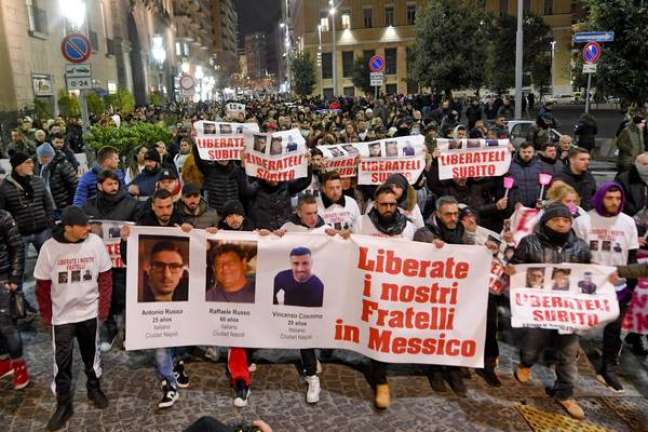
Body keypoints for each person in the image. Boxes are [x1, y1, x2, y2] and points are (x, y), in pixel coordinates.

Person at [511, 203, 591, 420]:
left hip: (568, 310)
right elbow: (516, 267)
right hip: (538, 309)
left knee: (568, 354)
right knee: (532, 344)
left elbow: (589, 275)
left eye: (566, 220)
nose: (562, 223)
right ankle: (526, 363)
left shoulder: (581, 247)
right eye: (557, 219)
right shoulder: (530, 242)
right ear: (545, 221)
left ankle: (565, 393)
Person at [34, 206, 112, 431]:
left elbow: (105, 277)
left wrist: (103, 308)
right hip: (62, 315)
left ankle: (93, 387)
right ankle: (64, 403)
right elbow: (42, 285)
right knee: (62, 362)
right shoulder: (49, 248)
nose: (89, 228)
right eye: (83, 225)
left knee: (91, 355)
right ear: (68, 227)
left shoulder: (95, 243)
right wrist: (47, 315)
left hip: (89, 311)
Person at [119, 188, 192, 409]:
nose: (165, 211)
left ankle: (177, 362)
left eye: (168, 206)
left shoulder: (181, 221)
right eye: (160, 207)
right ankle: (169, 384)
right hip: (150, 303)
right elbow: (126, 258)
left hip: (180, 302)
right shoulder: (141, 224)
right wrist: (125, 241)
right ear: (152, 206)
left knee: (179, 335)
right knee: (160, 340)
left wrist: (193, 233)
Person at [573, 182, 638, 392]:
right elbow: (575, 254)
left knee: (614, 329)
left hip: (616, 284)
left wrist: (630, 286)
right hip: (588, 282)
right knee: (578, 324)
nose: (614, 202)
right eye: (609, 198)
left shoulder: (628, 223)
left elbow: (632, 257)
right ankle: (567, 358)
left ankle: (608, 368)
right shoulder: (583, 222)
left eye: (618, 198)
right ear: (600, 197)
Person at [414, 196, 477, 393]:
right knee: (434, 331)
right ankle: (434, 370)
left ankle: (453, 369)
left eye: (455, 214)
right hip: (431, 292)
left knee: (454, 330)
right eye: (448, 214)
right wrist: (432, 247)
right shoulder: (424, 233)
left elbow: (473, 257)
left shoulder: (464, 234)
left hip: (456, 293)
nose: (452, 218)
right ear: (437, 214)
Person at [272, 246, 322, 404]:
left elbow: (319, 316)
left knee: (304, 341)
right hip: (286, 316)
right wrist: (274, 313)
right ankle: (248, 360)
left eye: (305, 263)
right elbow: (269, 295)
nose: (300, 268)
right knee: (260, 330)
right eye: (296, 264)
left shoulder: (317, 285)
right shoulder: (281, 277)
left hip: (306, 321)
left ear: (311, 263)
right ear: (290, 263)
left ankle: (312, 375)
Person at [0, 152, 54, 298]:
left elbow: (48, 204)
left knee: (50, 266)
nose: (31, 165)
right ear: (17, 166)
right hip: (19, 235)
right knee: (18, 271)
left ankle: (52, 296)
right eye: (27, 163)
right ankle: (20, 304)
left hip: (42, 230)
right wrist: (12, 230)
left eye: (31, 162)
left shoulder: (38, 181)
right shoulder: (5, 186)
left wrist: (49, 222)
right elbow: (3, 213)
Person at [0, 209, 29, 391]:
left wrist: (15, 278)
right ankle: (4, 362)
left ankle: (19, 365)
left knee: (7, 325)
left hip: (2, 276)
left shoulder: (4, 217)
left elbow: (17, 246)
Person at [36, 142, 79, 217]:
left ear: (46, 157)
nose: (39, 160)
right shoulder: (43, 167)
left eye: (40, 157)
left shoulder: (63, 165)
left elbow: (75, 185)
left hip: (64, 208)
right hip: (51, 208)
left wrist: (73, 205)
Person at [509, 142, 543, 208]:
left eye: (529, 152)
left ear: (533, 153)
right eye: (524, 152)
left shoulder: (539, 164)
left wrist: (540, 200)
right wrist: (516, 202)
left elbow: (543, 185)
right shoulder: (511, 165)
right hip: (517, 205)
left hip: (535, 204)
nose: (526, 154)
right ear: (519, 152)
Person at [616, 152, 648, 217]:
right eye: (645, 164)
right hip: (631, 215)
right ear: (636, 164)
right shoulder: (623, 179)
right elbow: (620, 199)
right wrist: (634, 211)